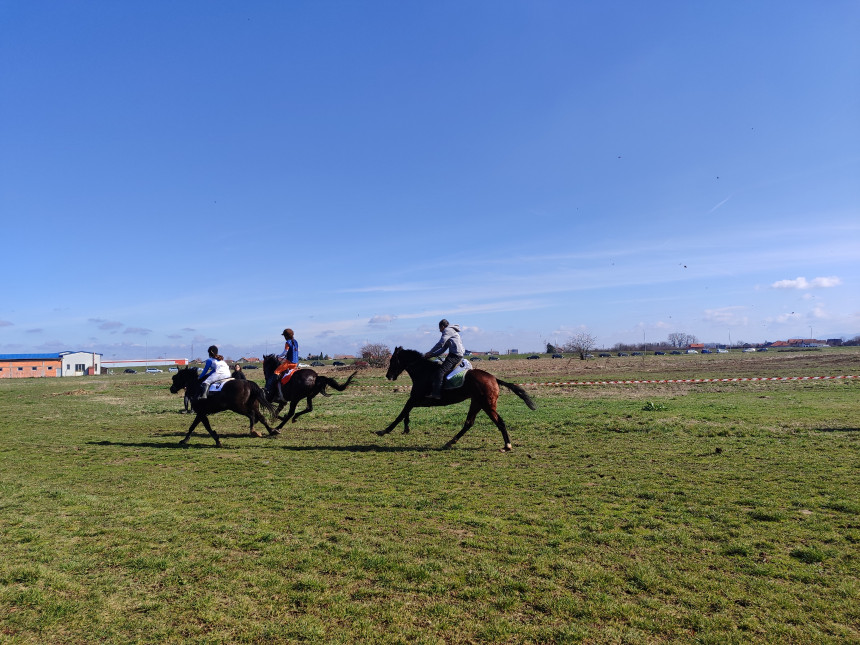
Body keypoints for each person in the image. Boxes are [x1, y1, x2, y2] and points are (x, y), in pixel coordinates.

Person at [424, 319, 465, 400]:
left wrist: (430, 352)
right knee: (447, 373)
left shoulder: (447, 330)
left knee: (440, 372)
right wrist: (432, 355)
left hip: (454, 355)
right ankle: (447, 391)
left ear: (442, 326)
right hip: (457, 355)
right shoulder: (451, 331)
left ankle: (436, 394)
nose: (440, 331)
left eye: (440, 328)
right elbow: (443, 348)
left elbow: (440, 344)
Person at [268, 328, 299, 403]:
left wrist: (279, 356)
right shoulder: (295, 341)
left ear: (286, 336)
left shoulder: (287, 342)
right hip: (296, 363)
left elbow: (285, 352)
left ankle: (272, 389)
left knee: (276, 372)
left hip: (289, 362)